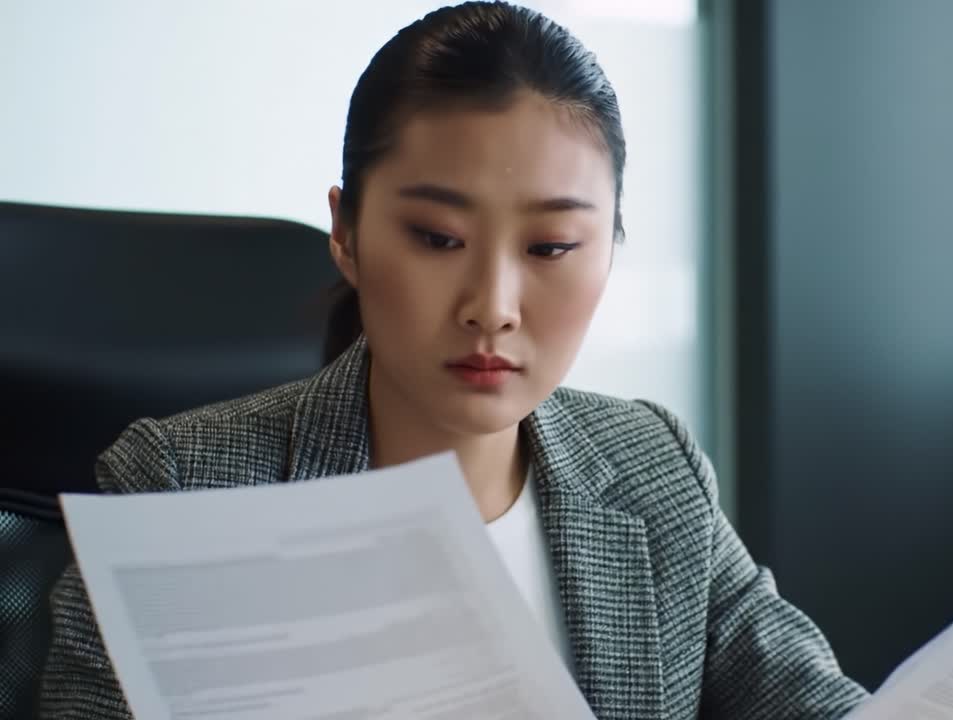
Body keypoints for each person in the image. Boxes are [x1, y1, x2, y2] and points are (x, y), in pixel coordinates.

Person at [38, 2, 867, 718]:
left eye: (551, 246)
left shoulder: (654, 472)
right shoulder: (184, 496)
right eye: (438, 239)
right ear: (346, 232)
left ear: (610, 246)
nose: (492, 306)